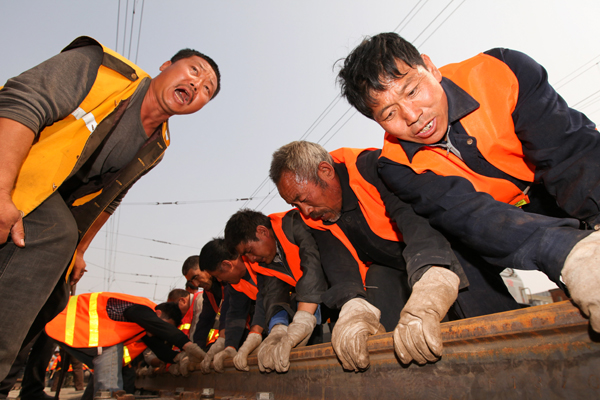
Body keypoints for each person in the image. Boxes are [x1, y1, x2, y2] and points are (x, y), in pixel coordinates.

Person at [336, 32, 600, 333]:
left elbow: (569, 153)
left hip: (549, 188)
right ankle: (509, 349)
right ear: (377, 122)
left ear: (430, 67)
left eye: (412, 91)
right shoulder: (396, 165)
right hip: (494, 222)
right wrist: (563, 251)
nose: (413, 116)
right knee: (454, 252)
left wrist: (585, 250)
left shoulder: (499, 70)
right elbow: (469, 216)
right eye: (389, 113)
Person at [0, 36, 221, 381]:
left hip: (48, 196)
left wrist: (80, 251)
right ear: (165, 66)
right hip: (13, 163)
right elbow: (22, 101)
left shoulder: (157, 144)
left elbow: (111, 198)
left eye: (207, 89)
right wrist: (2, 191)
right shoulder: (102, 68)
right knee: (56, 234)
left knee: (58, 294)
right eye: (194, 71)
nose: (197, 84)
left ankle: (10, 377)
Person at [270, 141, 519, 368]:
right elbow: (338, 262)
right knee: (378, 280)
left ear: (325, 171)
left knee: (491, 328)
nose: (305, 210)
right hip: (394, 265)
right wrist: (353, 305)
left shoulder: (374, 168)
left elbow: (414, 219)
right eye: (295, 205)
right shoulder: (316, 217)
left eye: (304, 199)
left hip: (441, 249)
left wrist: (431, 275)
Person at [224, 208, 328, 373]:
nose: (250, 259)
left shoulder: (294, 224)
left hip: (354, 285)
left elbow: (312, 267)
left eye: (249, 251)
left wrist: (303, 319)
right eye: (245, 256)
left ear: (262, 231)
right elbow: (273, 294)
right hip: (320, 298)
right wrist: (277, 328)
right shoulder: (265, 261)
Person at [45, 292, 206, 396]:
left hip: (72, 329)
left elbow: (161, 350)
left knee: (106, 362)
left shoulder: (143, 330)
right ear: (157, 314)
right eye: (164, 326)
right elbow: (154, 324)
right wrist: (188, 345)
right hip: (72, 321)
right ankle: (110, 394)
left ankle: (101, 395)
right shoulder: (143, 308)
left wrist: (180, 358)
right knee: (112, 347)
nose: (161, 332)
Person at [198, 238, 264, 373]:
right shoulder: (235, 283)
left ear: (227, 265)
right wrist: (230, 346)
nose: (219, 280)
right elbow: (236, 313)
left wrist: (256, 334)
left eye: (218, 275)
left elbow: (268, 299)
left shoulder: (259, 262)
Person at [181, 255, 229, 350]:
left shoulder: (228, 280)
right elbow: (205, 320)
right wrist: (197, 349)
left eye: (196, 277)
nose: (197, 284)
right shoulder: (209, 292)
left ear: (206, 267)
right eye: (192, 282)